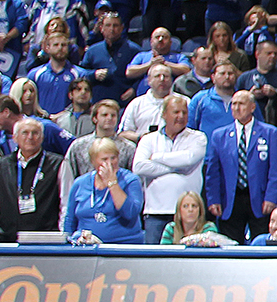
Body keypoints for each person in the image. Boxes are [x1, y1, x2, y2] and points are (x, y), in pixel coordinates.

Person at [203, 88, 277, 242]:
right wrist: (213, 199)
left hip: (259, 199)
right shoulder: (219, 136)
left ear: (252, 107)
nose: (236, 108)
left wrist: (271, 197)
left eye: (241, 104)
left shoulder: (269, 133)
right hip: (230, 201)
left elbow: (275, 170)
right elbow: (212, 172)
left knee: (260, 240)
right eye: (233, 104)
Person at [131, 95, 207, 244]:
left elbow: (188, 159)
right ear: (164, 114)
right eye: (176, 112)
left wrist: (157, 157)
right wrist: (176, 167)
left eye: (184, 113)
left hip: (188, 214)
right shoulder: (148, 139)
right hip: (155, 212)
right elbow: (139, 167)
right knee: (153, 262)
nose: (181, 116)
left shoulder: (198, 138)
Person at [62, 136, 143, 244]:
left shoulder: (130, 180)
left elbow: (130, 213)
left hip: (123, 246)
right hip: (87, 246)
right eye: (104, 159)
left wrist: (112, 183)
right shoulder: (80, 183)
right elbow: (70, 220)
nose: (110, 163)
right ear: (93, 161)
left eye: (113, 158)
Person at [4, 117, 64, 232]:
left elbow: (65, 202)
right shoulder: (2, 165)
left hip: (45, 235)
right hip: (7, 235)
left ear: (42, 138)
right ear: (15, 138)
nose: (30, 137)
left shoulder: (58, 163)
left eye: (35, 133)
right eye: (25, 133)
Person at [61, 99, 129, 198]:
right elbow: (68, 176)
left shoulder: (128, 147)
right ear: (94, 118)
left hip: (117, 198)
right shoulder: (78, 146)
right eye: (104, 115)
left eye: (113, 115)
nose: (109, 118)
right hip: (85, 198)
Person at [160, 191, 228, 246]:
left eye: (194, 206)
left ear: (200, 210)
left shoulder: (208, 228)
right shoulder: (171, 228)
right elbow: (163, 254)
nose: (190, 210)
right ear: (179, 211)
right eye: (185, 206)